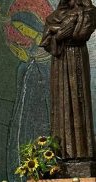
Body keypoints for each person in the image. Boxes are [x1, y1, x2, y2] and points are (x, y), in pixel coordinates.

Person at [40, 0, 96, 160]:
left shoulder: (87, 12)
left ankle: (82, 152)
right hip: (60, 61)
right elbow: (46, 40)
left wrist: (59, 33)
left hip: (76, 58)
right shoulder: (55, 16)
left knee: (78, 99)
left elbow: (81, 34)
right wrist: (60, 34)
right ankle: (61, 152)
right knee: (61, 101)